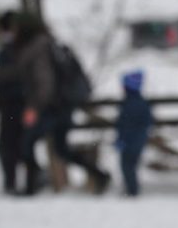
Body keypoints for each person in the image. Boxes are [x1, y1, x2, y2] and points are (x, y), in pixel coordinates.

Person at [14, 15, 111, 195]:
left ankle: (33, 183)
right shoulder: (52, 45)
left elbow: (44, 83)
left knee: (26, 143)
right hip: (64, 106)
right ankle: (98, 173)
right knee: (60, 148)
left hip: (52, 107)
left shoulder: (38, 49)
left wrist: (34, 107)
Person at [0, 11, 26, 193]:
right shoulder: (18, 47)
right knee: (16, 144)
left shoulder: (14, 49)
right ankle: (16, 181)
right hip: (14, 102)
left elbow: (10, 75)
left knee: (10, 145)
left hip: (14, 103)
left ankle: (13, 182)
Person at [115, 70, 153, 197]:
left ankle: (132, 190)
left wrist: (122, 139)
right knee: (129, 166)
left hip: (131, 141)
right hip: (136, 139)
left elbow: (125, 124)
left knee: (127, 166)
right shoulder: (139, 102)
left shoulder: (131, 103)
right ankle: (131, 188)